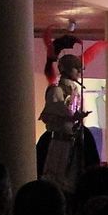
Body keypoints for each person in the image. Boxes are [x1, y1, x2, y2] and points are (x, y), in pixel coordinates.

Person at [39, 53, 91, 193]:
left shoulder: (76, 91)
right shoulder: (56, 90)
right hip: (60, 142)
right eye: (76, 68)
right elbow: (52, 115)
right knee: (57, 179)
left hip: (76, 142)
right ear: (66, 69)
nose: (80, 72)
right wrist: (73, 117)